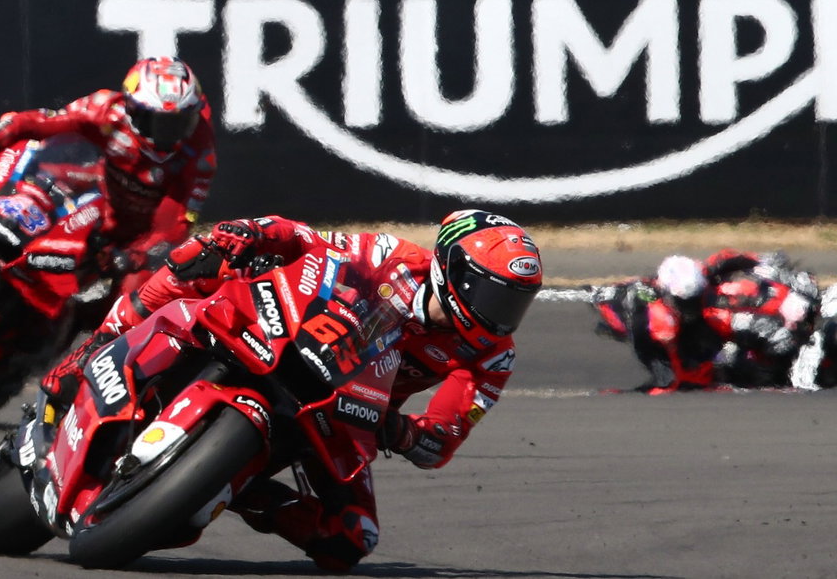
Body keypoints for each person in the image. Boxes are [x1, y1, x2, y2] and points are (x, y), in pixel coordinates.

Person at [40, 209, 543, 572]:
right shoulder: (389, 255)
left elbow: (441, 441)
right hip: (280, 334)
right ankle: (100, 343)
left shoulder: (492, 357)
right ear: (451, 269)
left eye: (515, 302)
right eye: (493, 294)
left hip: (342, 415)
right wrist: (255, 232)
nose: (500, 315)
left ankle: (234, 488)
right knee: (202, 257)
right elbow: (305, 238)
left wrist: (403, 433)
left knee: (352, 539)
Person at [0, 56, 215, 296]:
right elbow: (38, 122)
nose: (168, 134)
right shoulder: (105, 109)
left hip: (134, 238)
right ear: (132, 108)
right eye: (158, 122)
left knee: (139, 289)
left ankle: (96, 332)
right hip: (91, 202)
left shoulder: (200, 153)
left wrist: (134, 256)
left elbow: (176, 223)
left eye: (180, 122)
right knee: (38, 180)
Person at [640, 250, 818, 392]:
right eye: (686, 301)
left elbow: (734, 257)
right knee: (731, 358)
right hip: (721, 343)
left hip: (755, 310)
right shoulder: (663, 302)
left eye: (693, 299)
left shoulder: (711, 276)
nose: (690, 305)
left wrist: (762, 261)